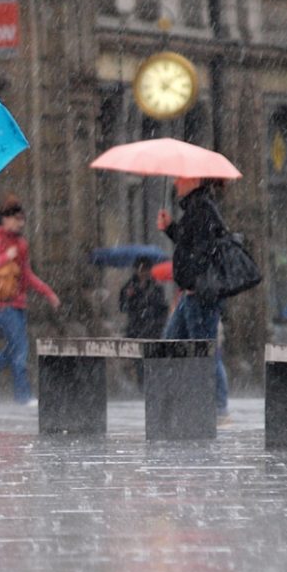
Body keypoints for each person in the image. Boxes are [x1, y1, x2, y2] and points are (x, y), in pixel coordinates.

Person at [0, 196, 60, 407]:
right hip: (0, 303)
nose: (19, 223)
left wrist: (47, 292)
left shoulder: (22, 244)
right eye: (15, 219)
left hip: (18, 304)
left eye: (22, 219)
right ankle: (22, 395)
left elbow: (27, 274)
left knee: (15, 349)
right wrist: (6, 256)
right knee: (20, 347)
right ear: (5, 219)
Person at [158, 176, 232, 421]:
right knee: (172, 343)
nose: (176, 183)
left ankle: (218, 405)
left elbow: (203, 251)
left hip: (200, 295)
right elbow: (189, 243)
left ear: (193, 181)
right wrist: (170, 228)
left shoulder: (203, 209)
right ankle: (182, 398)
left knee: (203, 349)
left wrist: (194, 282)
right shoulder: (195, 208)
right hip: (190, 294)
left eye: (180, 179)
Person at [119, 255, 169, 339]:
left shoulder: (156, 287)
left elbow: (162, 307)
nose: (144, 273)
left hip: (153, 330)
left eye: (146, 270)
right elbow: (123, 307)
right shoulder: (129, 286)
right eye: (141, 270)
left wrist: (158, 323)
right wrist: (128, 297)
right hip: (134, 329)